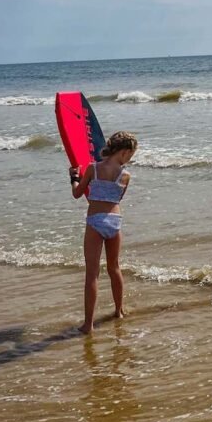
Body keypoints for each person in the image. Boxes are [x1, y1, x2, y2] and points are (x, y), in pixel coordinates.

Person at [69, 131, 138, 335]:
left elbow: (77, 194)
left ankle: (88, 324)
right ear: (124, 152)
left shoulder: (93, 168)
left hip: (96, 221)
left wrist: (74, 176)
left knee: (92, 274)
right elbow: (116, 199)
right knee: (114, 268)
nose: (130, 158)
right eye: (131, 154)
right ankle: (119, 311)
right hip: (115, 221)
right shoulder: (125, 175)